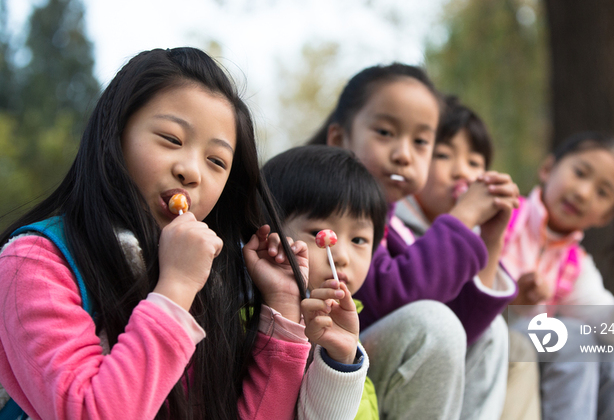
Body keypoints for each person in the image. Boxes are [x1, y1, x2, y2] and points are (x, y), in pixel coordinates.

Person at [0, 47, 363, 420]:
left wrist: (283, 309)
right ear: (115, 133)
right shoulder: (34, 262)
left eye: (217, 162)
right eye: (171, 139)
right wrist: (174, 290)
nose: (191, 171)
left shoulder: (209, 285)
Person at [308, 63, 520, 420]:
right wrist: (462, 219)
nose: (404, 154)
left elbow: (464, 326)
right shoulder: (324, 205)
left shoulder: (393, 224)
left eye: (421, 141)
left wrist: (491, 238)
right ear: (340, 138)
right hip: (329, 365)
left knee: (492, 333)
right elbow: (389, 297)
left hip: (374, 355)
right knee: (435, 322)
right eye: (386, 132)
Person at [500, 131, 614, 420]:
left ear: (605, 216)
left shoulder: (575, 265)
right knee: (575, 337)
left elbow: (610, 330)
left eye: (602, 192)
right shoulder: (503, 218)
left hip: (544, 354)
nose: (583, 192)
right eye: (579, 173)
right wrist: (513, 302)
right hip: (495, 338)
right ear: (547, 169)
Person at [394, 94, 541, 420]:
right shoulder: (395, 223)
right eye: (443, 155)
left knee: (516, 346)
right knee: (497, 334)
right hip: (406, 357)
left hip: (453, 351)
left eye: (475, 163)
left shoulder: (471, 238)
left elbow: (477, 316)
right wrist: (464, 216)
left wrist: (492, 238)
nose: (462, 172)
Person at [263, 145, 385, 419]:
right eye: (319, 232)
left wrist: (342, 361)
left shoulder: (351, 340)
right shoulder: (251, 326)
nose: (341, 256)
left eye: (359, 240)